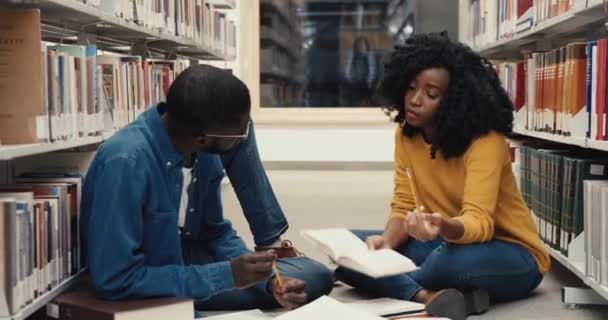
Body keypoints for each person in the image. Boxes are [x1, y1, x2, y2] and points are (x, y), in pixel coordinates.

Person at [80, 64, 333, 311]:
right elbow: (114, 280)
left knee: (316, 275)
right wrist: (226, 276)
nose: (243, 140)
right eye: (238, 135)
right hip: (152, 279)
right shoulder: (125, 162)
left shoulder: (202, 151)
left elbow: (214, 232)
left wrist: (266, 279)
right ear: (202, 137)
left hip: (188, 257)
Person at [335, 33, 550, 320]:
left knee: (441, 265)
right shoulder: (406, 135)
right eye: (411, 88)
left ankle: (403, 284)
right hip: (441, 243)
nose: (415, 100)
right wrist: (387, 242)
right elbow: (402, 204)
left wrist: (442, 225)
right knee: (351, 247)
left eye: (431, 94)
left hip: (510, 252)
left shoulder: (485, 141)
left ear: (454, 101)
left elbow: (479, 224)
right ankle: (430, 296)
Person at [344, 36, 376, 106]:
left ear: (366, 46)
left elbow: (372, 68)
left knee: (364, 99)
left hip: (365, 81)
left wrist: (370, 80)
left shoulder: (368, 55)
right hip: (355, 81)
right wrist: (349, 77)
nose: (361, 47)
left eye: (362, 45)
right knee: (355, 99)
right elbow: (349, 66)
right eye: (359, 45)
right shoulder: (354, 55)